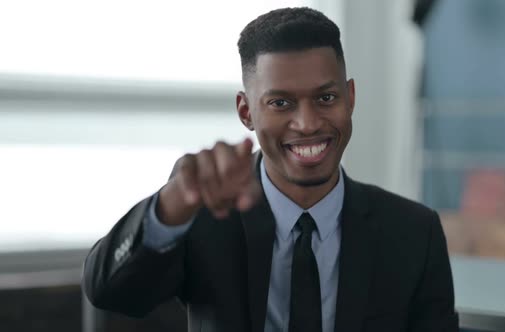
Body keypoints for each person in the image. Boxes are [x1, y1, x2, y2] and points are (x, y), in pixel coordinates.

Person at [83, 7, 458, 332]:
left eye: (326, 98)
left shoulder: (413, 233)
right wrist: (172, 204)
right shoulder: (204, 216)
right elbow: (111, 293)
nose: (308, 123)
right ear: (246, 112)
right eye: (281, 103)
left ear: (350, 98)